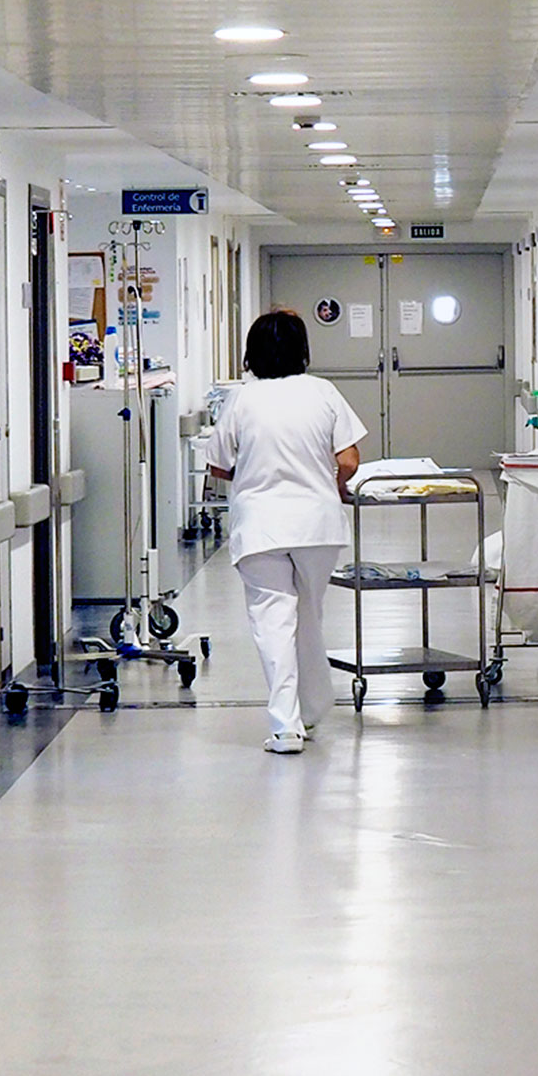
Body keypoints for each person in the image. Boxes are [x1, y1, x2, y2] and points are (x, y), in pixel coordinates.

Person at [207, 310, 365, 754]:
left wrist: (254, 473)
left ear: (252, 352)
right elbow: (349, 460)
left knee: (273, 621)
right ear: (302, 349)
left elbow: (218, 464)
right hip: (317, 524)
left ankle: (285, 726)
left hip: (260, 527)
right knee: (309, 616)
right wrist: (327, 482)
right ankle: (312, 710)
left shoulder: (242, 400)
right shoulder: (323, 392)